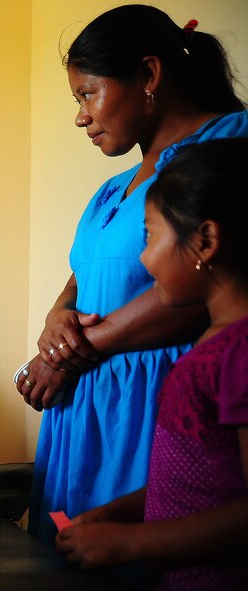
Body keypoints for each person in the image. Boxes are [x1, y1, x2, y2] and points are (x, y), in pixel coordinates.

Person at [17, 4, 248, 544]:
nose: (80, 115)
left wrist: (74, 352)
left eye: (87, 94)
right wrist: (57, 317)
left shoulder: (230, 145)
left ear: (148, 75)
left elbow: (216, 285)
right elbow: (83, 273)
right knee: (72, 554)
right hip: (82, 410)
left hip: (152, 403)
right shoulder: (113, 188)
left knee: (140, 553)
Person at [55, 138, 248, 590]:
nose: (144, 257)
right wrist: (119, 515)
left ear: (205, 241)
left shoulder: (240, 353)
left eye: (151, 236)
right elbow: (202, 482)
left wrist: (130, 545)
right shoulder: (211, 345)